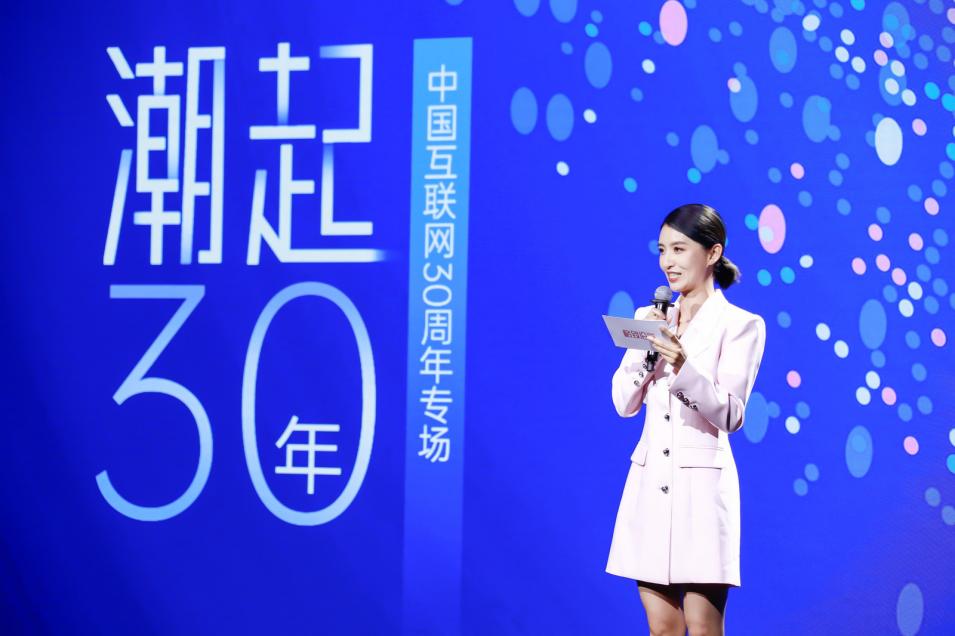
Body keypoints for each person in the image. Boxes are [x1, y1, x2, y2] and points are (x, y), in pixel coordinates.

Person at [606, 203, 767, 636]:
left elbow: (731, 413)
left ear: (712, 253)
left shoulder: (741, 325)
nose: (668, 262)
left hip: (702, 491)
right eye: (662, 250)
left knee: (702, 627)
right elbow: (623, 403)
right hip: (650, 485)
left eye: (679, 249)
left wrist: (682, 366)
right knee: (662, 628)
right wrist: (647, 353)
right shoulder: (648, 319)